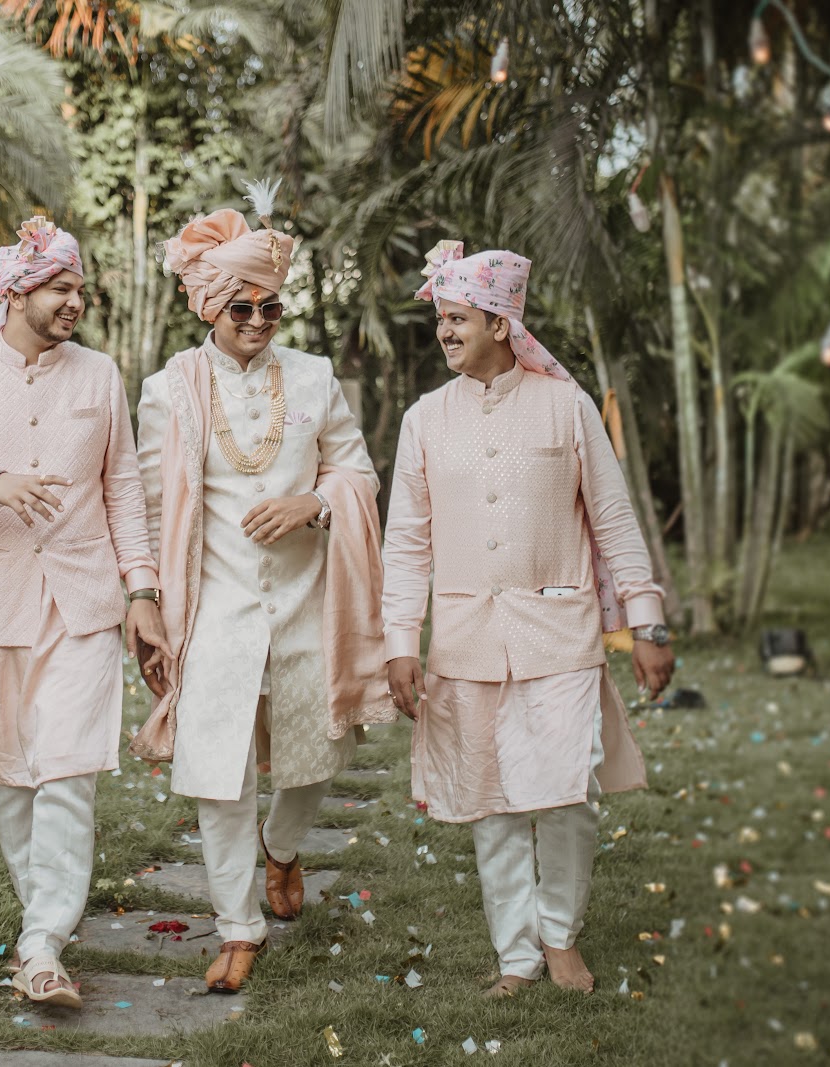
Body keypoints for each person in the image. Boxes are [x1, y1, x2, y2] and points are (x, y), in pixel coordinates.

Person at [381, 241, 675, 998]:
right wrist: (399, 643)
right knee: (492, 800)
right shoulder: (424, 419)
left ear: (500, 323)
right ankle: (516, 954)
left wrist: (647, 623)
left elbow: (614, 520)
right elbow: (406, 542)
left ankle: (560, 936)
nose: (444, 332)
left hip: (560, 634)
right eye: (442, 319)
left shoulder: (566, 406)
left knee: (567, 792)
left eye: (458, 319)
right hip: (464, 639)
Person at [0, 217, 170, 1009]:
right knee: (12, 780)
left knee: (68, 773)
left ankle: (43, 943)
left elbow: (123, 490)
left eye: (80, 288)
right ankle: (39, 930)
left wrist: (142, 592)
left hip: (83, 607)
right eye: (59, 289)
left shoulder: (100, 376)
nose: (74, 301)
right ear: (16, 293)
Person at [133, 181, 393, 993]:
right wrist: (147, 603)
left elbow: (358, 471)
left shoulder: (314, 378)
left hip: (309, 601)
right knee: (220, 773)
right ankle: (238, 927)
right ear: (207, 305)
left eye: (270, 308)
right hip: (215, 609)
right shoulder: (168, 390)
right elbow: (151, 509)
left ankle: (282, 848)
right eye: (240, 307)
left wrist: (314, 502)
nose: (256, 321)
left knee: (317, 757)